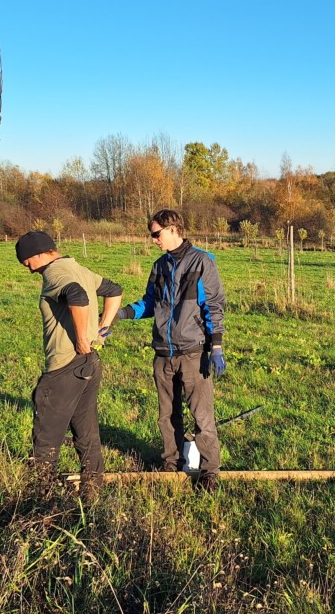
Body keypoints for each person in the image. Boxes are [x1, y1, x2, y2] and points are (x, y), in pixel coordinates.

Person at [112, 209, 226, 492]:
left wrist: (217, 346)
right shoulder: (159, 266)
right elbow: (150, 303)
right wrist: (122, 314)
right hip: (163, 352)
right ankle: (171, 464)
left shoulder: (202, 261)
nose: (153, 240)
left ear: (173, 229)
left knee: (202, 416)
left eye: (156, 234)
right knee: (166, 415)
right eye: (151, 235)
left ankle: (210, 471)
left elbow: (213, 305)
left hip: (193, 352)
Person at [16, 230, 122, 500]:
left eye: (27, 262)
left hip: (64, 366)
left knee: (46, 436)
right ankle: (92, 490)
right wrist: (103, 328)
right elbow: (114, 290)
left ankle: (44, 499)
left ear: (40, 254)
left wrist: (81, 338)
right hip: (88, 364)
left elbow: (76, 296)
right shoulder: (78, 268)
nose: (28, 269)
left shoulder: (54, 272)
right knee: (86, 430)